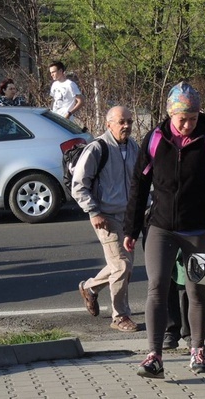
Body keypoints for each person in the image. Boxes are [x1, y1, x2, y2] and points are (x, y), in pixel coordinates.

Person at [123, 82, 205, 379]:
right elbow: (139, 185)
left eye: (193, 118)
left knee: (197, 291)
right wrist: (131, 228)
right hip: (160, 226)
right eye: (182, 118)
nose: (187, 124)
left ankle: (197, 349)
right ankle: (154, 355)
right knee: (157, 287)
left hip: (198, 228)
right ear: (170, 114)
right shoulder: (155, 139)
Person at [72, 106, 139, 333]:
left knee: (122, 267)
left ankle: (89, 288)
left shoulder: (133, 147)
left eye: (129, 121)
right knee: (121, 265)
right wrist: (93, 212)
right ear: (108, 123)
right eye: (121, 122)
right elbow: (79, 185)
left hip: (128, 216)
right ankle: (120, 316)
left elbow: (138, 182)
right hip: (106, 217)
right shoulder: (97, 149)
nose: (126, 126)